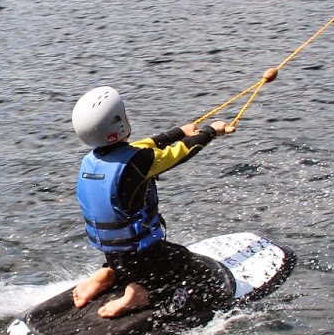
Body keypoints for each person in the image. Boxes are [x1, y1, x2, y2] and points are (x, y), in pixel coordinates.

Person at [68, 85, 240, 319]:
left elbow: (147, 144)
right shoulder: (138, 162)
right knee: (185, 264)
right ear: (119, 124)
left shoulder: (93, 160)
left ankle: (106, 274)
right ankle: (138, 294)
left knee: (128, 265)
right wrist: (211, 132)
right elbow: (180, 152)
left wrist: (180, 131)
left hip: (113, 252)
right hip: (142, 251)